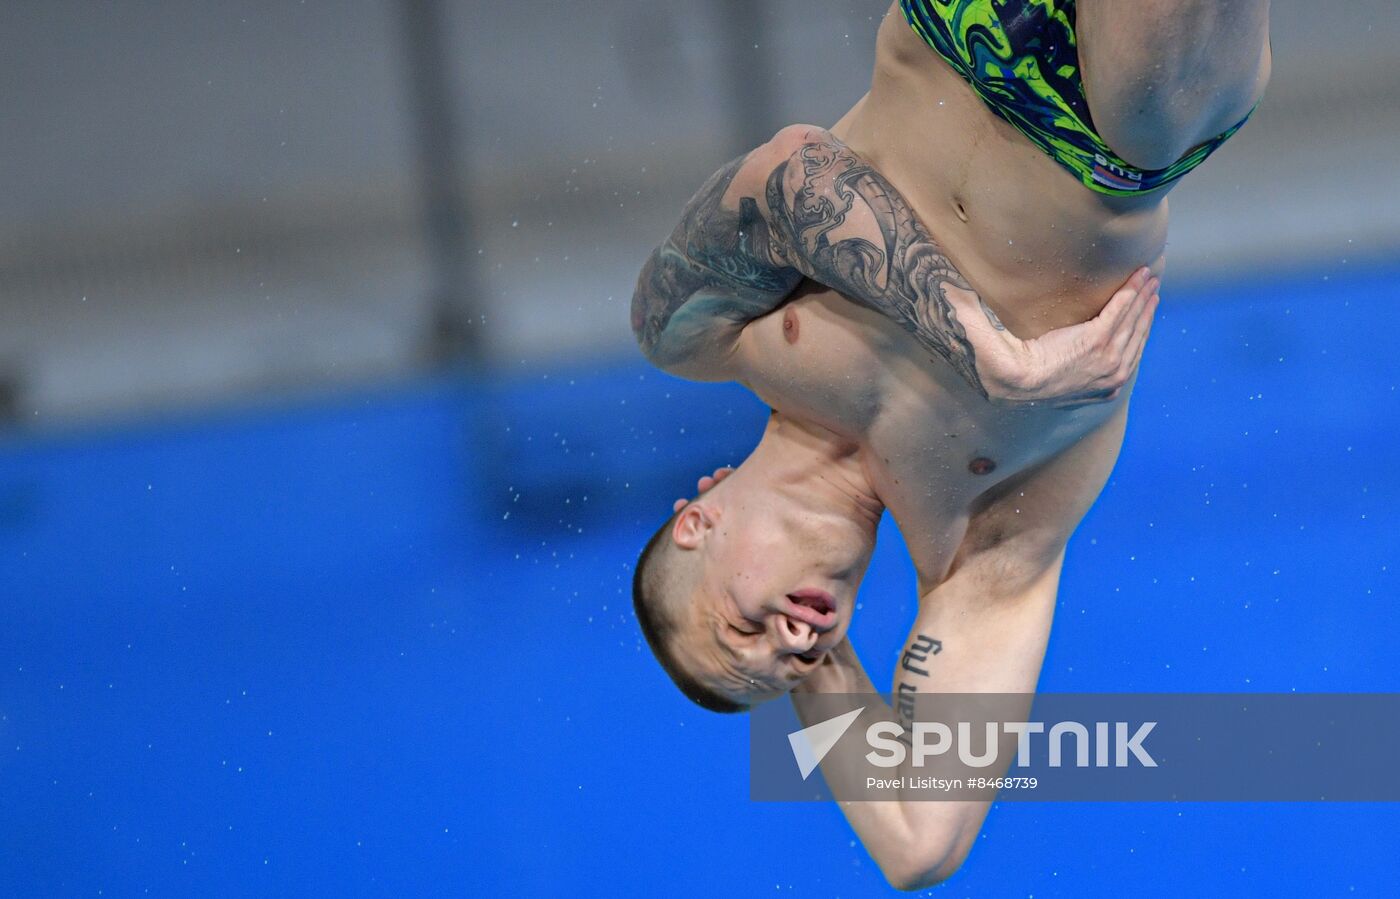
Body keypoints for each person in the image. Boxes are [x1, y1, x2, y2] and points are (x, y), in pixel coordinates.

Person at [629, 0, 1270, 888]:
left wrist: (983, 352)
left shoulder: (705, 337)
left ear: (698, 520)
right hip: (1115, 121)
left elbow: (790, 174)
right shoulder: (980, 539)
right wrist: (821, 670)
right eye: (782, 669)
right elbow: (919, 846)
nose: (783, 645)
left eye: (741, 626)